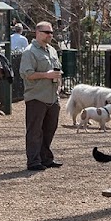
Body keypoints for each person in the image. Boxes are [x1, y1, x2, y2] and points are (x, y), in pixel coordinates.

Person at [20, 21, 63, 171]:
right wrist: (46, 75)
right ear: (38, 33)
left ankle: (46, 158)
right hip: (36, 97)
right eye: (47, 32)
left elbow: (57, 70)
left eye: (51, 32)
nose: (50, 35)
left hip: (52, 96)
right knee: (34, 131)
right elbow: (27, 74)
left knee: (50, 129)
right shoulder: (29, 52)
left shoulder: (52, 50)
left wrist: (59, 83)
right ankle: (33, 161)